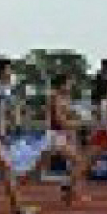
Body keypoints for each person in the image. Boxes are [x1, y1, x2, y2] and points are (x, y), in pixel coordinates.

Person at [0, 57, 39, 214]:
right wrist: (2, 131)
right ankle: (18, 208)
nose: (11, 72)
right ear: (1, 71)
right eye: (9, 69)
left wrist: (14, 122)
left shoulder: (5, 89)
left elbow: (8, 111)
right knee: (7, 170)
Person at [28, 74, 86, 204]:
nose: (71, 86)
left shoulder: (64, 98)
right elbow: (60, 121)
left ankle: (70, 191)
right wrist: (79, 124)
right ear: (62, 84)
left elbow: (69, 115)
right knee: (79, 162)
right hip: (56, 135)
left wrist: (77, 119)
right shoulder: (55, 97)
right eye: (69, 83)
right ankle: (67, 188)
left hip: (60, 135)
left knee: (75, 163)